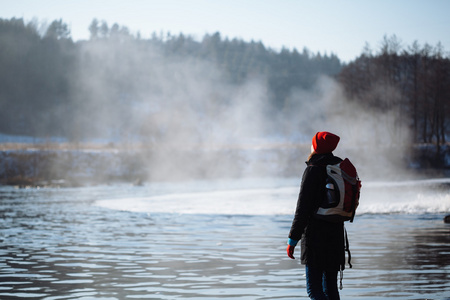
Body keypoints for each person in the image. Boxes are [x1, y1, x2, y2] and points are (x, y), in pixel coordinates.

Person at [287, 131, 345, 300]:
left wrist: (292, 239)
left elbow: (302, 209)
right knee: (331, 290)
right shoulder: (339, 167)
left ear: (316, 147)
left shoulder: (313, 170)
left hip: (315, 238)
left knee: (314, 290)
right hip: (336, 236)